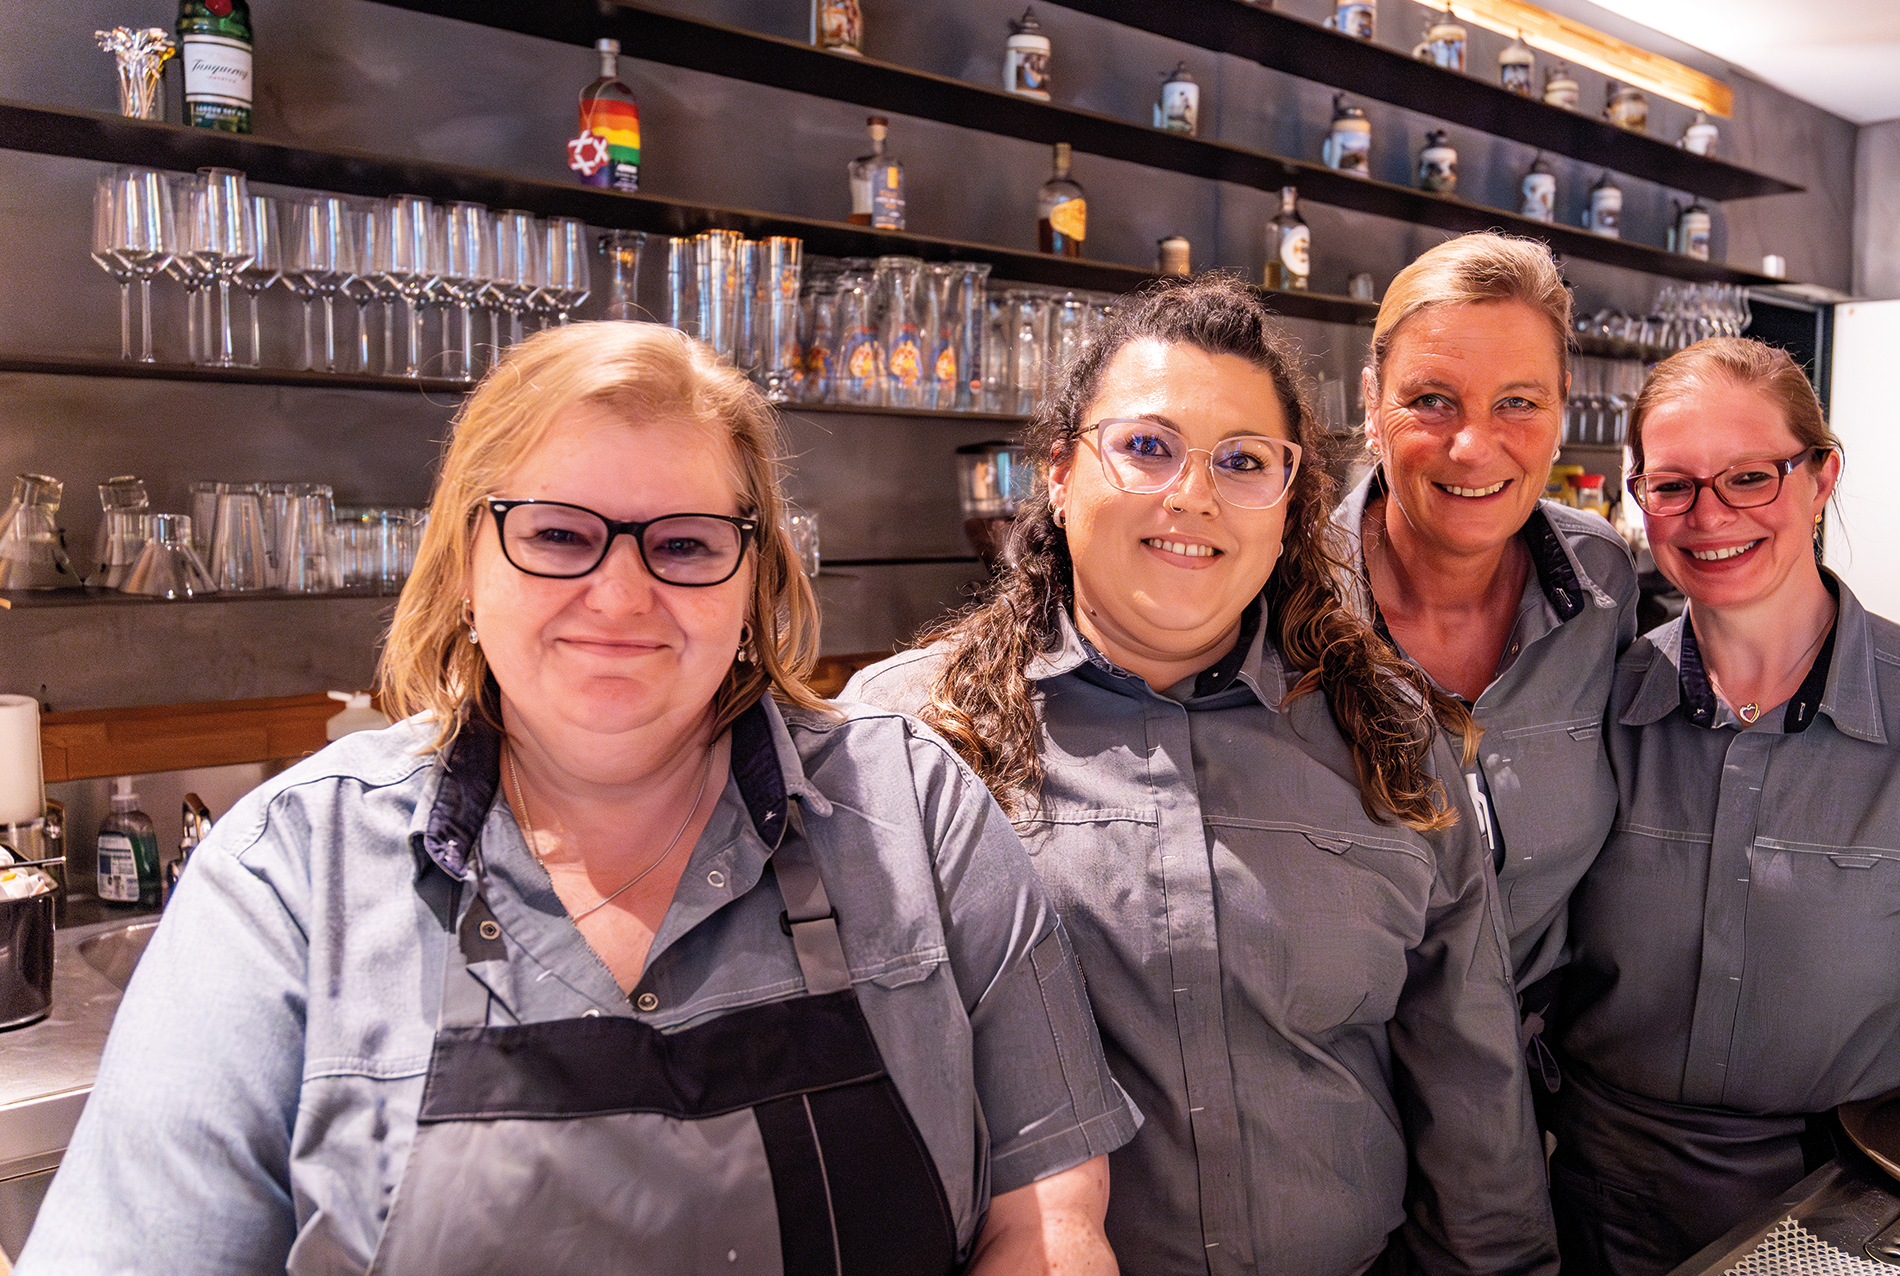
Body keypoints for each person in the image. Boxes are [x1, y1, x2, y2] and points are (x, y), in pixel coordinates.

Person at [18, 322, 1138, 1276]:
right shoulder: (288, 874)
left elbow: (1047, 1222)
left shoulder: (914, 811)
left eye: (686, 543)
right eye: (557, 534)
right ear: (467, 563)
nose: (620, 593)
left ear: (754, 581)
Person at [846, 275, 1557, 1276]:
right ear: (1057, 471)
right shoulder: (899, 736)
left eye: (1241, 461)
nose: (1193, 494)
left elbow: (1470, 1082)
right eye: (1145, 447)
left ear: (1287, 501)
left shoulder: (1386, 730)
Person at [1551, 337, 1900, 1274]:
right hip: (1587, 1195)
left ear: (1822, 475)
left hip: (1843, 1204)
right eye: (1673, 486)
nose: (1710, 518)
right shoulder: (1590, 706)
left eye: (1750, 476)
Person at [1335, 233, 1637, 1030]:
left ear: (1561, 406)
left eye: (1518, 402)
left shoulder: (1599, 582)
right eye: (1432, 400)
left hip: (1549, 1073)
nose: (1473, 447)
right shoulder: (1277, 597)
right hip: (1345, 1080)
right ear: (1371, 404)